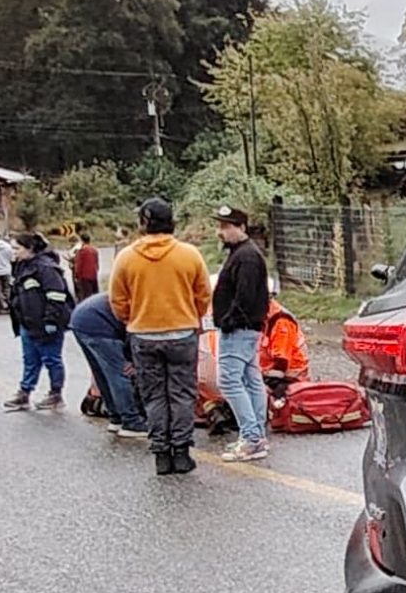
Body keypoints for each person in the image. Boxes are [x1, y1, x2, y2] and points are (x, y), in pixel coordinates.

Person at [109, 198, 212, 475]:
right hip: (182, 333)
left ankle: (161, 455)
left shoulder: (126, 257)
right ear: (172, 221)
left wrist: (132, 318)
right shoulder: (189, 255)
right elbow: (203, 294)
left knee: (153, 395)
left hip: (143, 335)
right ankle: (182, 452)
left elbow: (117, 300)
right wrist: (193, 314)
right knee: (182, 394)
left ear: (143, 223)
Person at [208, 205, 273, 463]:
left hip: (239, 329)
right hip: (246, 328)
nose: (221, 232)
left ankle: (251, 437)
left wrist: (229, 320)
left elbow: (244, 295)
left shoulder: (245, 257)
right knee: (250, 379)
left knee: (229, 381)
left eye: (226, 226)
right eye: (220, 226)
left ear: (242, 227)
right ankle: (256, 434)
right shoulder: (244, 254)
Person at [3, 232, 72, 412]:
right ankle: (24, 393)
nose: (14, 252)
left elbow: (57, 296)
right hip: (28, 323)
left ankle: (56, 394)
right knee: (30, 360)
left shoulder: (46, 268)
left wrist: (51, 320)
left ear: (30, 248)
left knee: (51, 360)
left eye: (17, 248)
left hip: (46, 324)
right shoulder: (21, 266)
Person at [69, 292, 149, 440]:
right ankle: (131, 423)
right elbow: (134, 333)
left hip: (81, 319)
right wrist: (132, 361)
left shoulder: (139, 294)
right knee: (120, 374)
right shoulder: (147, 304)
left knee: (103, 374)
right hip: (99, 325)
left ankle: (116, 417)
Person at [70, 232, 101, 302]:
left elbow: (79, 265)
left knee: (86, 296)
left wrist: (76, 275)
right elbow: (97, 263)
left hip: (84, 276)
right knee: (94, 294)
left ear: (82, 240)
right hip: (93, 275)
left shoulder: (81, 251)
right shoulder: (94, 250)